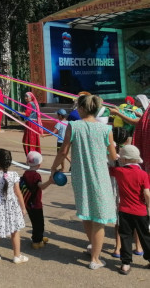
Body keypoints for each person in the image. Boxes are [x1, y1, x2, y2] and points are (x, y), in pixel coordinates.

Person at [50, 94, 117, 270]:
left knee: (86, 212)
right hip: (100, 176)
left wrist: (53, 167)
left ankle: (93, 249)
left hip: (80, 176)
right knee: (99, 218)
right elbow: (113, 156)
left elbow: (63, 151)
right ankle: (95, 258)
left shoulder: (73, 126)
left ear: (81, 108)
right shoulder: (106, 129)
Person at [108, 145, 150, 274]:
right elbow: (147, 193)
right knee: (145, 236)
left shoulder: (120, 172)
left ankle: (125, 263)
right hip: (141, 211)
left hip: (124, 210)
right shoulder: (143, 174)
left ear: (125, 159)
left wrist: (113, 155)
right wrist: (149, 207)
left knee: (125, 236)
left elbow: (109, 169)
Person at [0, 148, 28, 264]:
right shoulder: (14, 175)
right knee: (15, 230)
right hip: (12, 206)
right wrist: (23, 208)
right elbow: (18, 193)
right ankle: (17, 256)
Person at [20, 151, 53, 249]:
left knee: (34, 221)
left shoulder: (26, 173)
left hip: (28, 202)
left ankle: (38, 237)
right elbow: (41, 186)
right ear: (39, 165)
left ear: (27, 162)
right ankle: (37, 241)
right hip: (36, 203)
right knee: (39, 223)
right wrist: (50, 181)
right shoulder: (36, 176)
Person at [21, 92, 42, 156]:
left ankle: (30, 155)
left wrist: (17, 112)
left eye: (27, 97)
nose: (25, 98)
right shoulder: (34, 104)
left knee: (27, 140)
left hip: (30, 124)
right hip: (34, 123)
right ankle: (35, 154)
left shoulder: (29, 104)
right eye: (25, 97)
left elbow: (27, 114)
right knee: (34, 140)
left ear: (31, 98)